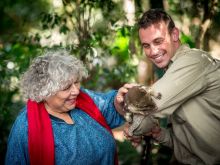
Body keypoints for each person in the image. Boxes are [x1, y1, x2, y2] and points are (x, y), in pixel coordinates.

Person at [124, 8, 220, 165]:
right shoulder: (170, 72)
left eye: (158, 41)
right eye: (146, 45)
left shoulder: (192, 62)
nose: (153, 51)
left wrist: (133, 129)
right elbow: (187, 146)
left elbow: (145, 107)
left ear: (175, 34)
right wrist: (160, 134)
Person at [5, 49, 133, 165]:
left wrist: (119, 100)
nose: (76, 91)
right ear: (44, 92)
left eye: (76, 82)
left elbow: (109, 106)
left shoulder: (84, 99)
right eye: (66, 87)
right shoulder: (25, 127)